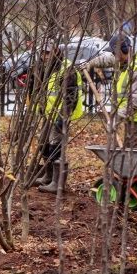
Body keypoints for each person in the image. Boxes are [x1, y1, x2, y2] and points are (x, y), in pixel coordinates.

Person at [84, 34, 137, 148]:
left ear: (124, 50)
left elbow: (133, 102)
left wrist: (116, 119)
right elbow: (107, 59)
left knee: (133, 153)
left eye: (115, 52)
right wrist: (90, 63)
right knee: (128, 149)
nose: (114, 56)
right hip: (133, 115)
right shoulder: (124, 60)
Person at [31, 42, 84, 193]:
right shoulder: (46, 68)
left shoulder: (67, 70)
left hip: (61, 115)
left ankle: (57, 183)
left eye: (48, 53)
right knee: (43, 145)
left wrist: (63, 118)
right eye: (42, 53)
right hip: (49, 114)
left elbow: (70, 97)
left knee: (56, 148)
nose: (44, 56)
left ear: (56, 51)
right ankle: (48, 177)